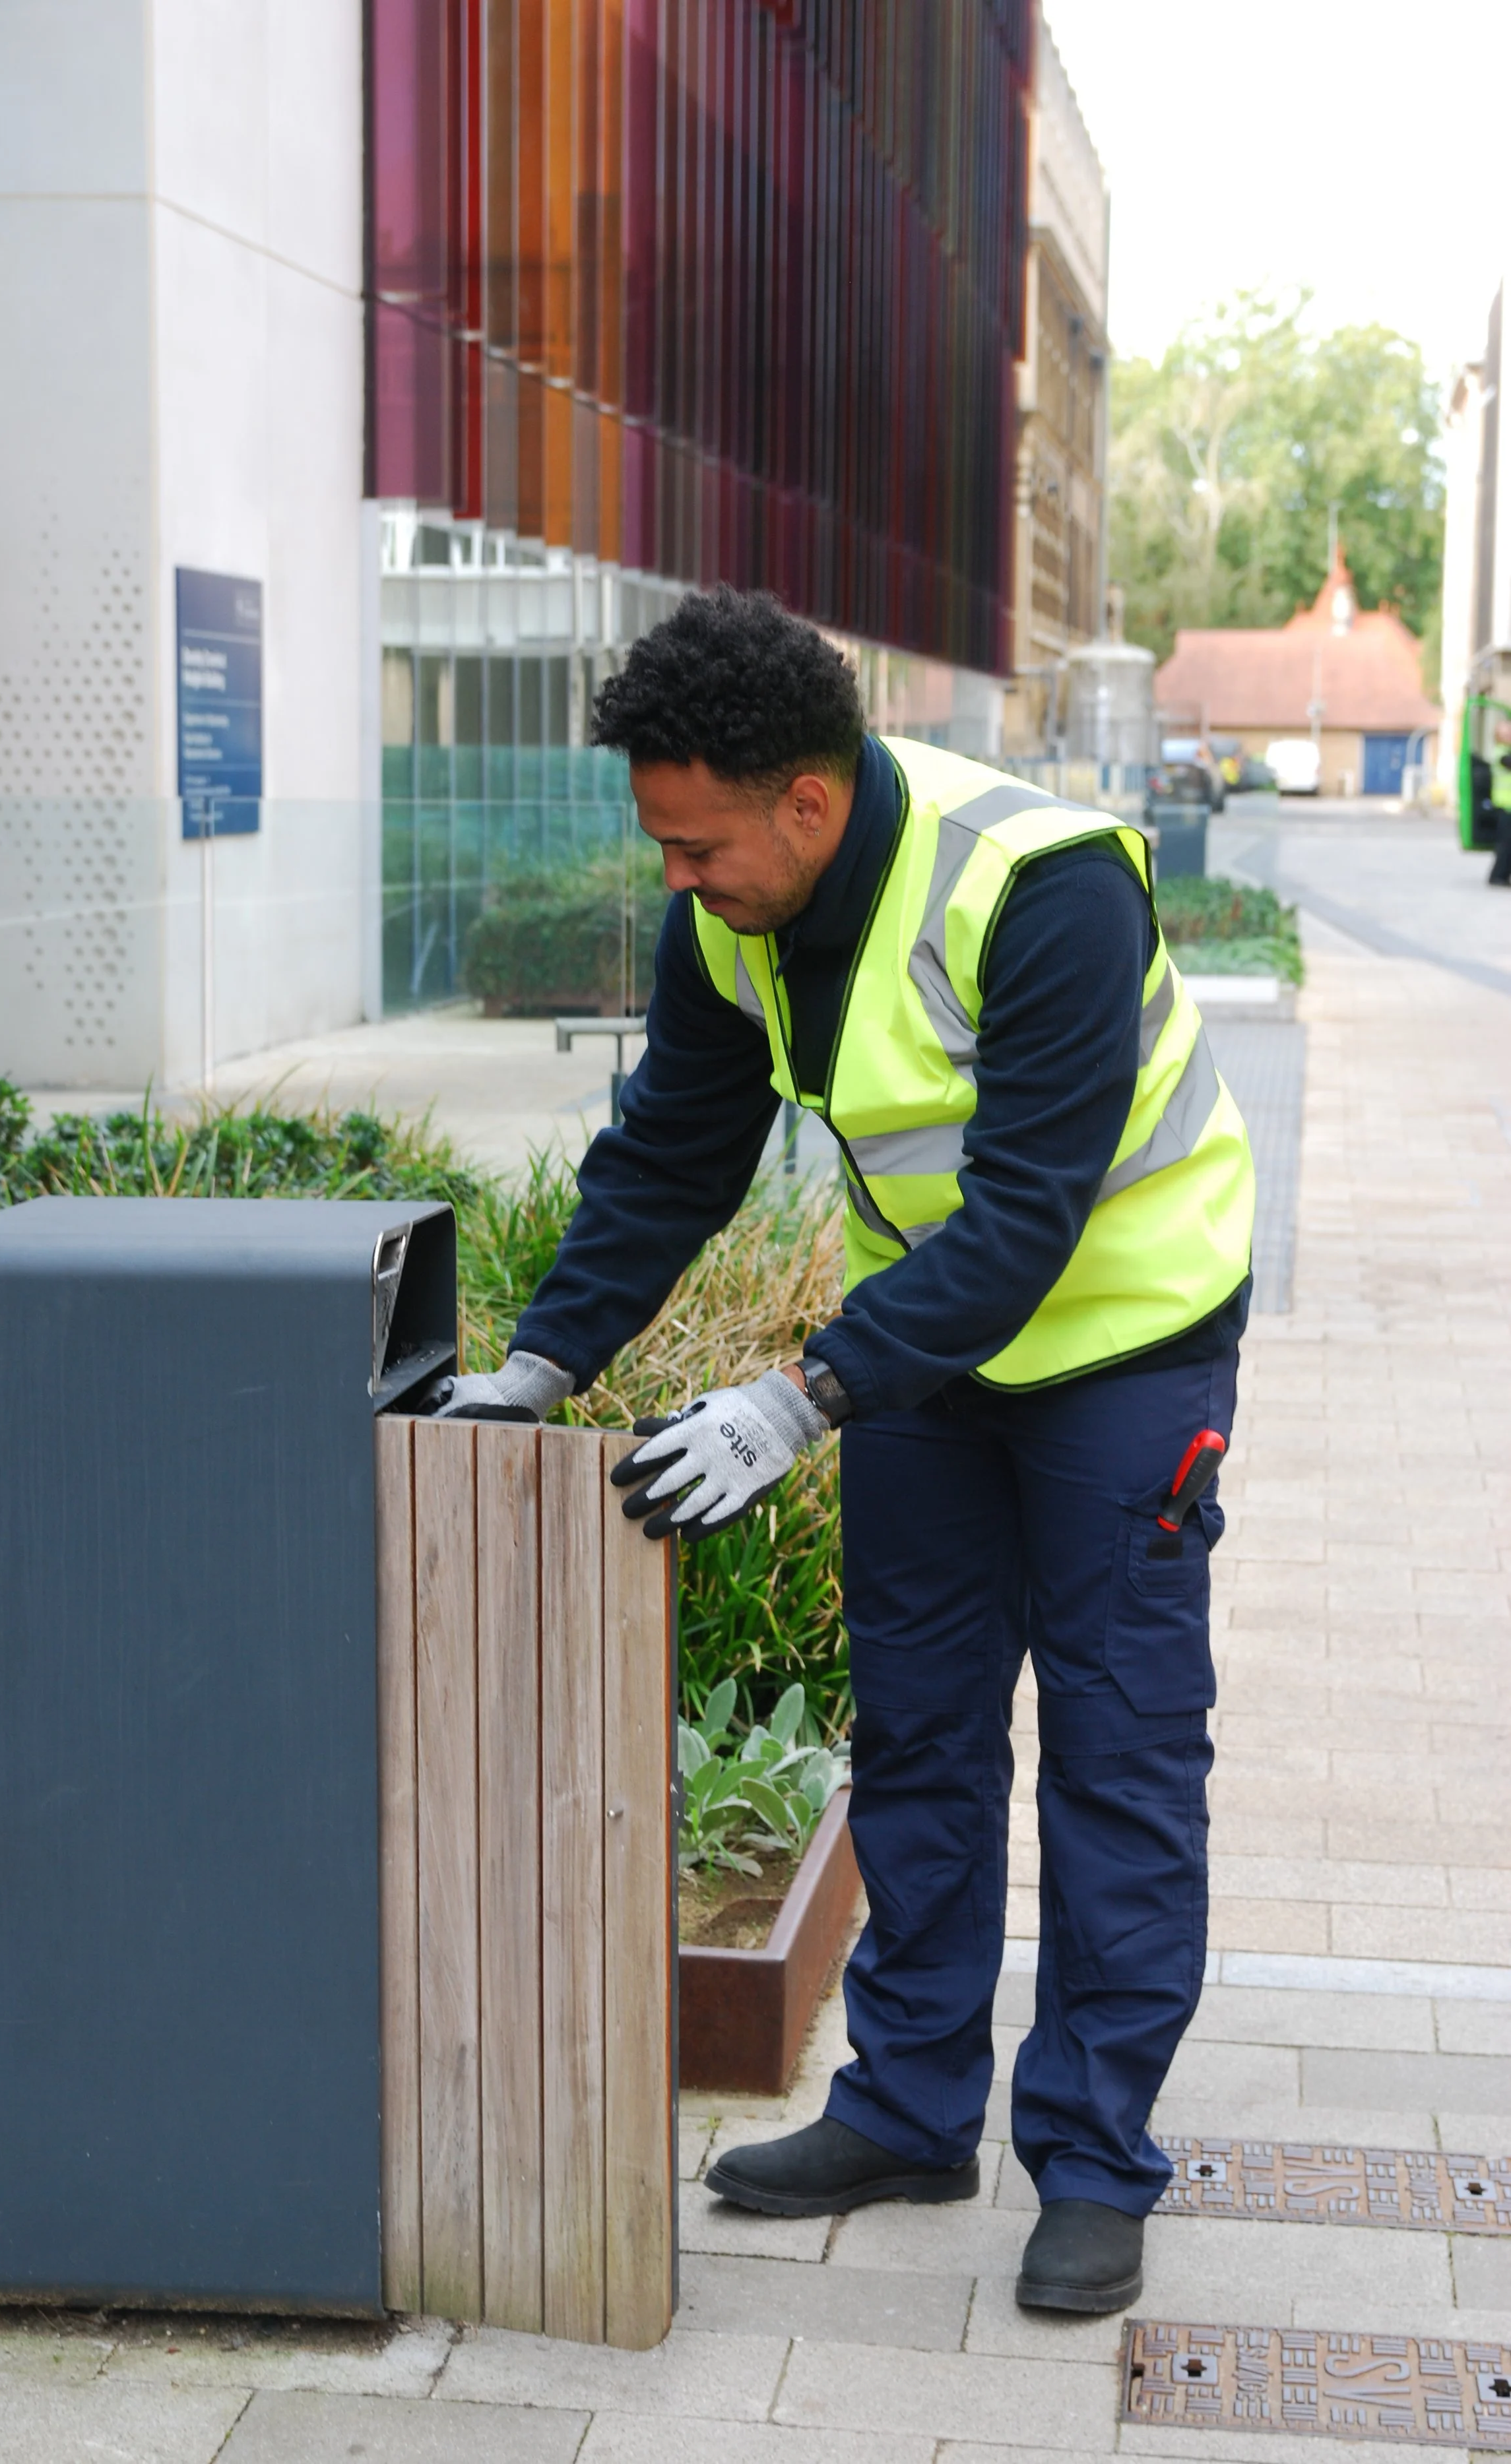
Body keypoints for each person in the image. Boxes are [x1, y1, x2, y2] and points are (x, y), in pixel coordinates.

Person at [436, 588, 1256, 2316]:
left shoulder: (1041, 885)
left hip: (1125, 1335)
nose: (674, 876)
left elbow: (1029, 1212)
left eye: (693, 840)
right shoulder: (732, 918)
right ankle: (905, 2106)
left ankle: (1094, 2161)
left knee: (1114, 1757)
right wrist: (531, 1366)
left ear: (804, 802)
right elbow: (670, 1148)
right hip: (924, 1360)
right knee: (921, 1737)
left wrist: (790, 1398)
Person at [1487, 719, 1511, 886]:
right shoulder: (1500, 753)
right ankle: (1497, 877)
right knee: (1506, 845)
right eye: (1506, 733)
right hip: (1505, 806)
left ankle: (1502, 876)